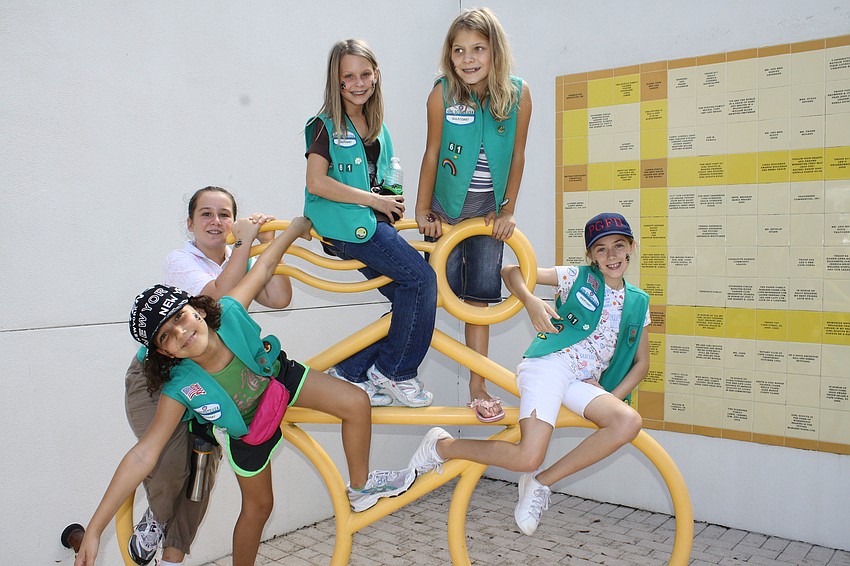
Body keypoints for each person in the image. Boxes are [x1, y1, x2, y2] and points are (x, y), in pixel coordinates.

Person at [75, 217, 417, 566]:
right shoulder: (181, 387)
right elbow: (142, 456)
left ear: (197, 309)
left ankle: (360, 487)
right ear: (165, 353)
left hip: (278, 379)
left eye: (180, 317)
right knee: (259, 507)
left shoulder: (229, 312)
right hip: (247, 427)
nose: (180, 332)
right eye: (166, 336)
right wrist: (94, 530)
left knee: (356, 402)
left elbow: (264, 266)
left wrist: (292, 231)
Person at [408, 212, 651, 536]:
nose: (611, 255)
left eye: (618, 246)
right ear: (590, 255)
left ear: (632, 247)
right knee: (527, 456)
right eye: (601, 249)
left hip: (582, 381)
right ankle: (442, 447)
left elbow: (642, 363)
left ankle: (540, 483)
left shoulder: (638, 301)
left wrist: (610, 397)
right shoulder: (577, 277)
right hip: (549, 366)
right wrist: (530, 300)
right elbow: (511, 271)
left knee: (627, 421)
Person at [124, 186, 292, 566]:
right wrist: (246, 244)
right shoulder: (181, 260)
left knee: (201, 469)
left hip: (209, 376)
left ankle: (173, 558)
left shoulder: (237, 257)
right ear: (190, 223)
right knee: (169, 461)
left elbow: (280, 297)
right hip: (160, 377)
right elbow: (215, 298)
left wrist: (266, 243)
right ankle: (157, 516)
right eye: (206, 214)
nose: (216, 222)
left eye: (224, 214)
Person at [304, 39, 437, 408]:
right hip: (349, 228)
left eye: (364, 74)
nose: (358, 83)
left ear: (376, 75)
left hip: (375, 226)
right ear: (336, 80)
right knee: (422, 281)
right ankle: (395, 372)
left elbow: (380, 180)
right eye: (348, 77)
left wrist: (390, 202)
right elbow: (316, 183)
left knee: (412, 303)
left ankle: (352, 371)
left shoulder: (379, 128)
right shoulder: (323, 126)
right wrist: (374, 201)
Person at [415, 7, 532, 423]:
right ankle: (394, 372)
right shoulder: (442, 94)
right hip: (444, 213)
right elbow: (432, 153)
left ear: (495, 51)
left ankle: (478, 386)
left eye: (478, 49)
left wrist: (508, 210)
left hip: (485, 216)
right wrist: (423, 208)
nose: (468, 59)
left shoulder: (517, 94)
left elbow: (517, 156)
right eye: (459, 50)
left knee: (478, 299)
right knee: (426, 294)